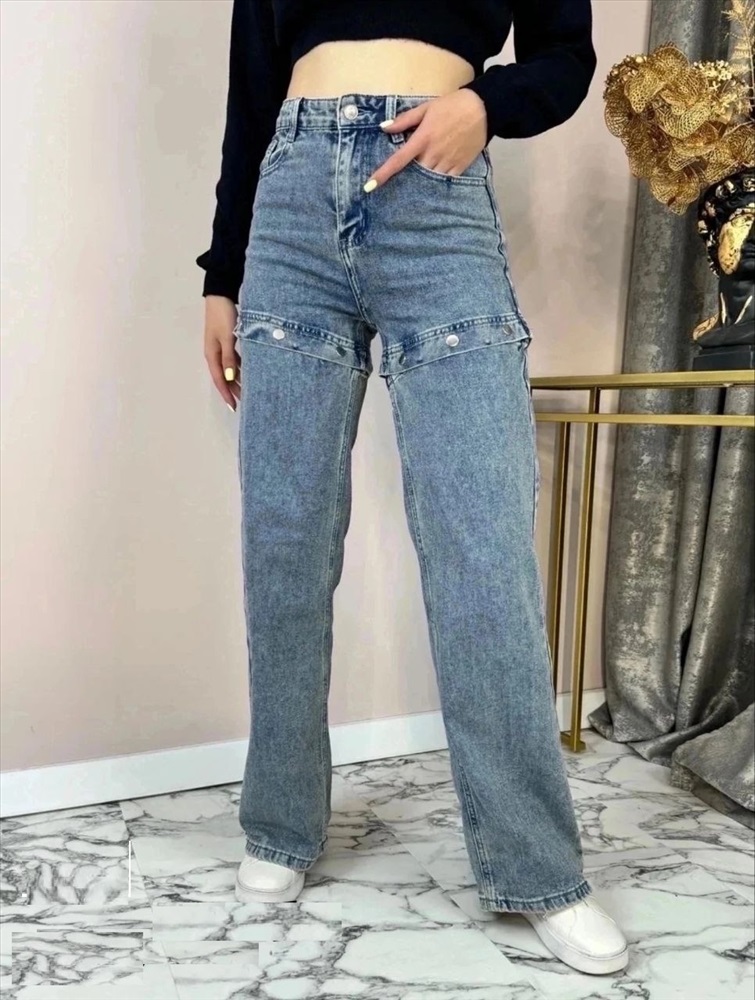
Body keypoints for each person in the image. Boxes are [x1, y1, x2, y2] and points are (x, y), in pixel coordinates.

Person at [196, 0, 629, 977]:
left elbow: (564, 55)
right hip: (290, 208)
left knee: (482, 543)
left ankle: (537, 868)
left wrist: (484, 104)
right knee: (284, 537)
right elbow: (250, 93)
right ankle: (279, 822)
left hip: (435, 194)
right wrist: (222, 275)